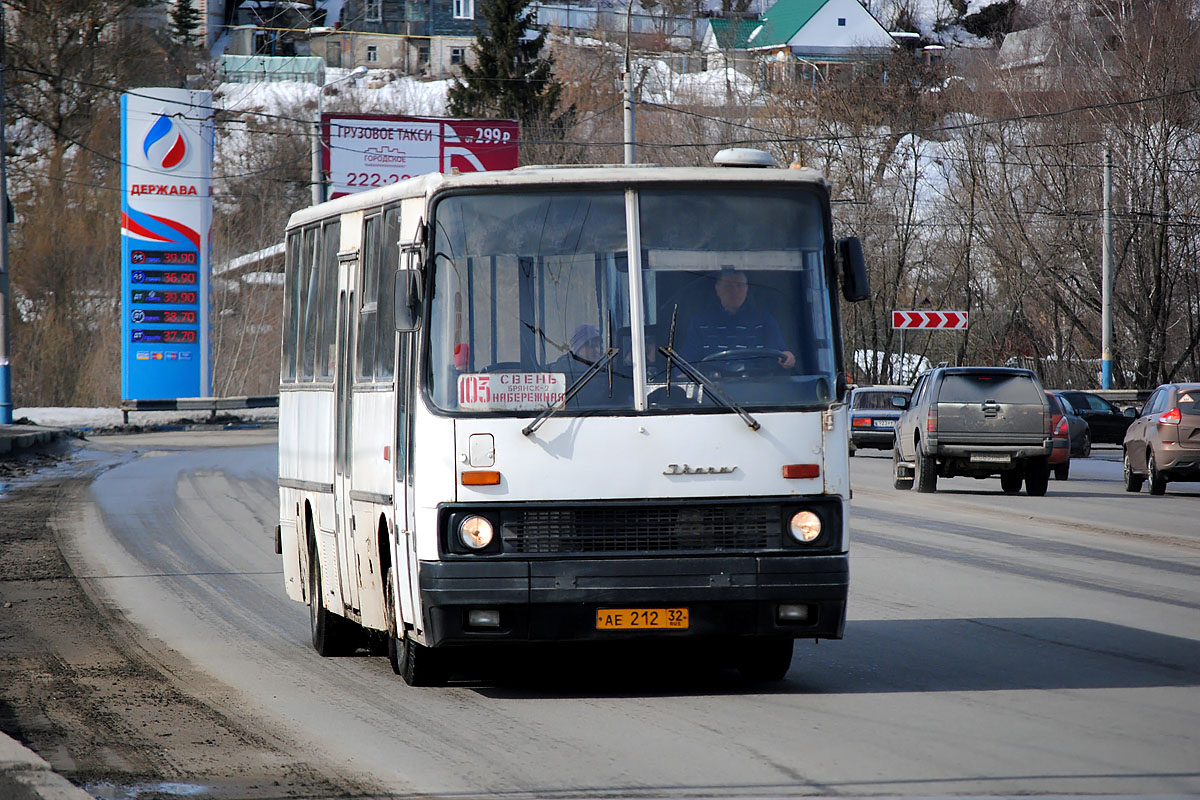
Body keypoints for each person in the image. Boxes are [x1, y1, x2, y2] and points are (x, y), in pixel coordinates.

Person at [679, 269, 796, 369]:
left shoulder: (764, 320)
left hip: (759, 388)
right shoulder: (700, 322)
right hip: (712, 389)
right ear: (718, 290)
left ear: (746, 289)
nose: (735, 292)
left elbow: (781, 355)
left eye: (739, 286)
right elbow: (686, 364)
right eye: (729, 286)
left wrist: (788, 358)